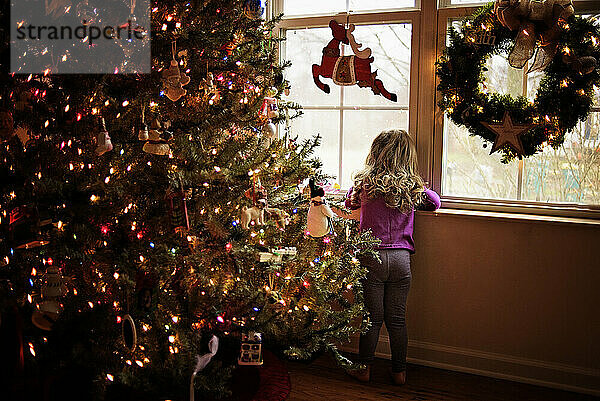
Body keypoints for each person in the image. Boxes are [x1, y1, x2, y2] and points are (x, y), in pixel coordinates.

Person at [344, 129, 440, 385]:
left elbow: (348, 203)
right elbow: (435, 202)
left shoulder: (365, 184)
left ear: (375, 154)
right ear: (407, 157)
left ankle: (364, 368)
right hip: (400, 258)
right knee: (396, 319)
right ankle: (399, 372)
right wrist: (416, 186)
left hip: (371, 256)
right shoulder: (411, 188)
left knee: (372, 318)